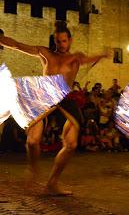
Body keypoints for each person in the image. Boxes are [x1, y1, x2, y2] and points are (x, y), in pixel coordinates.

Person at [0, 22, 110, 195]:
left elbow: (88, 59)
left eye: (64, 41)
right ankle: (33, 169)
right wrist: (2, 39)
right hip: (44, 98)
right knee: (32, 141)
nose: (61, 45)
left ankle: (52, 183)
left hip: (65, 100)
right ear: (55, 41)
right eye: (58, 41)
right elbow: (17, 45)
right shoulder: (46, 53)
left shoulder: (75, 58)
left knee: (71, 144)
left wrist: (103, 54)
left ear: (70, 40)